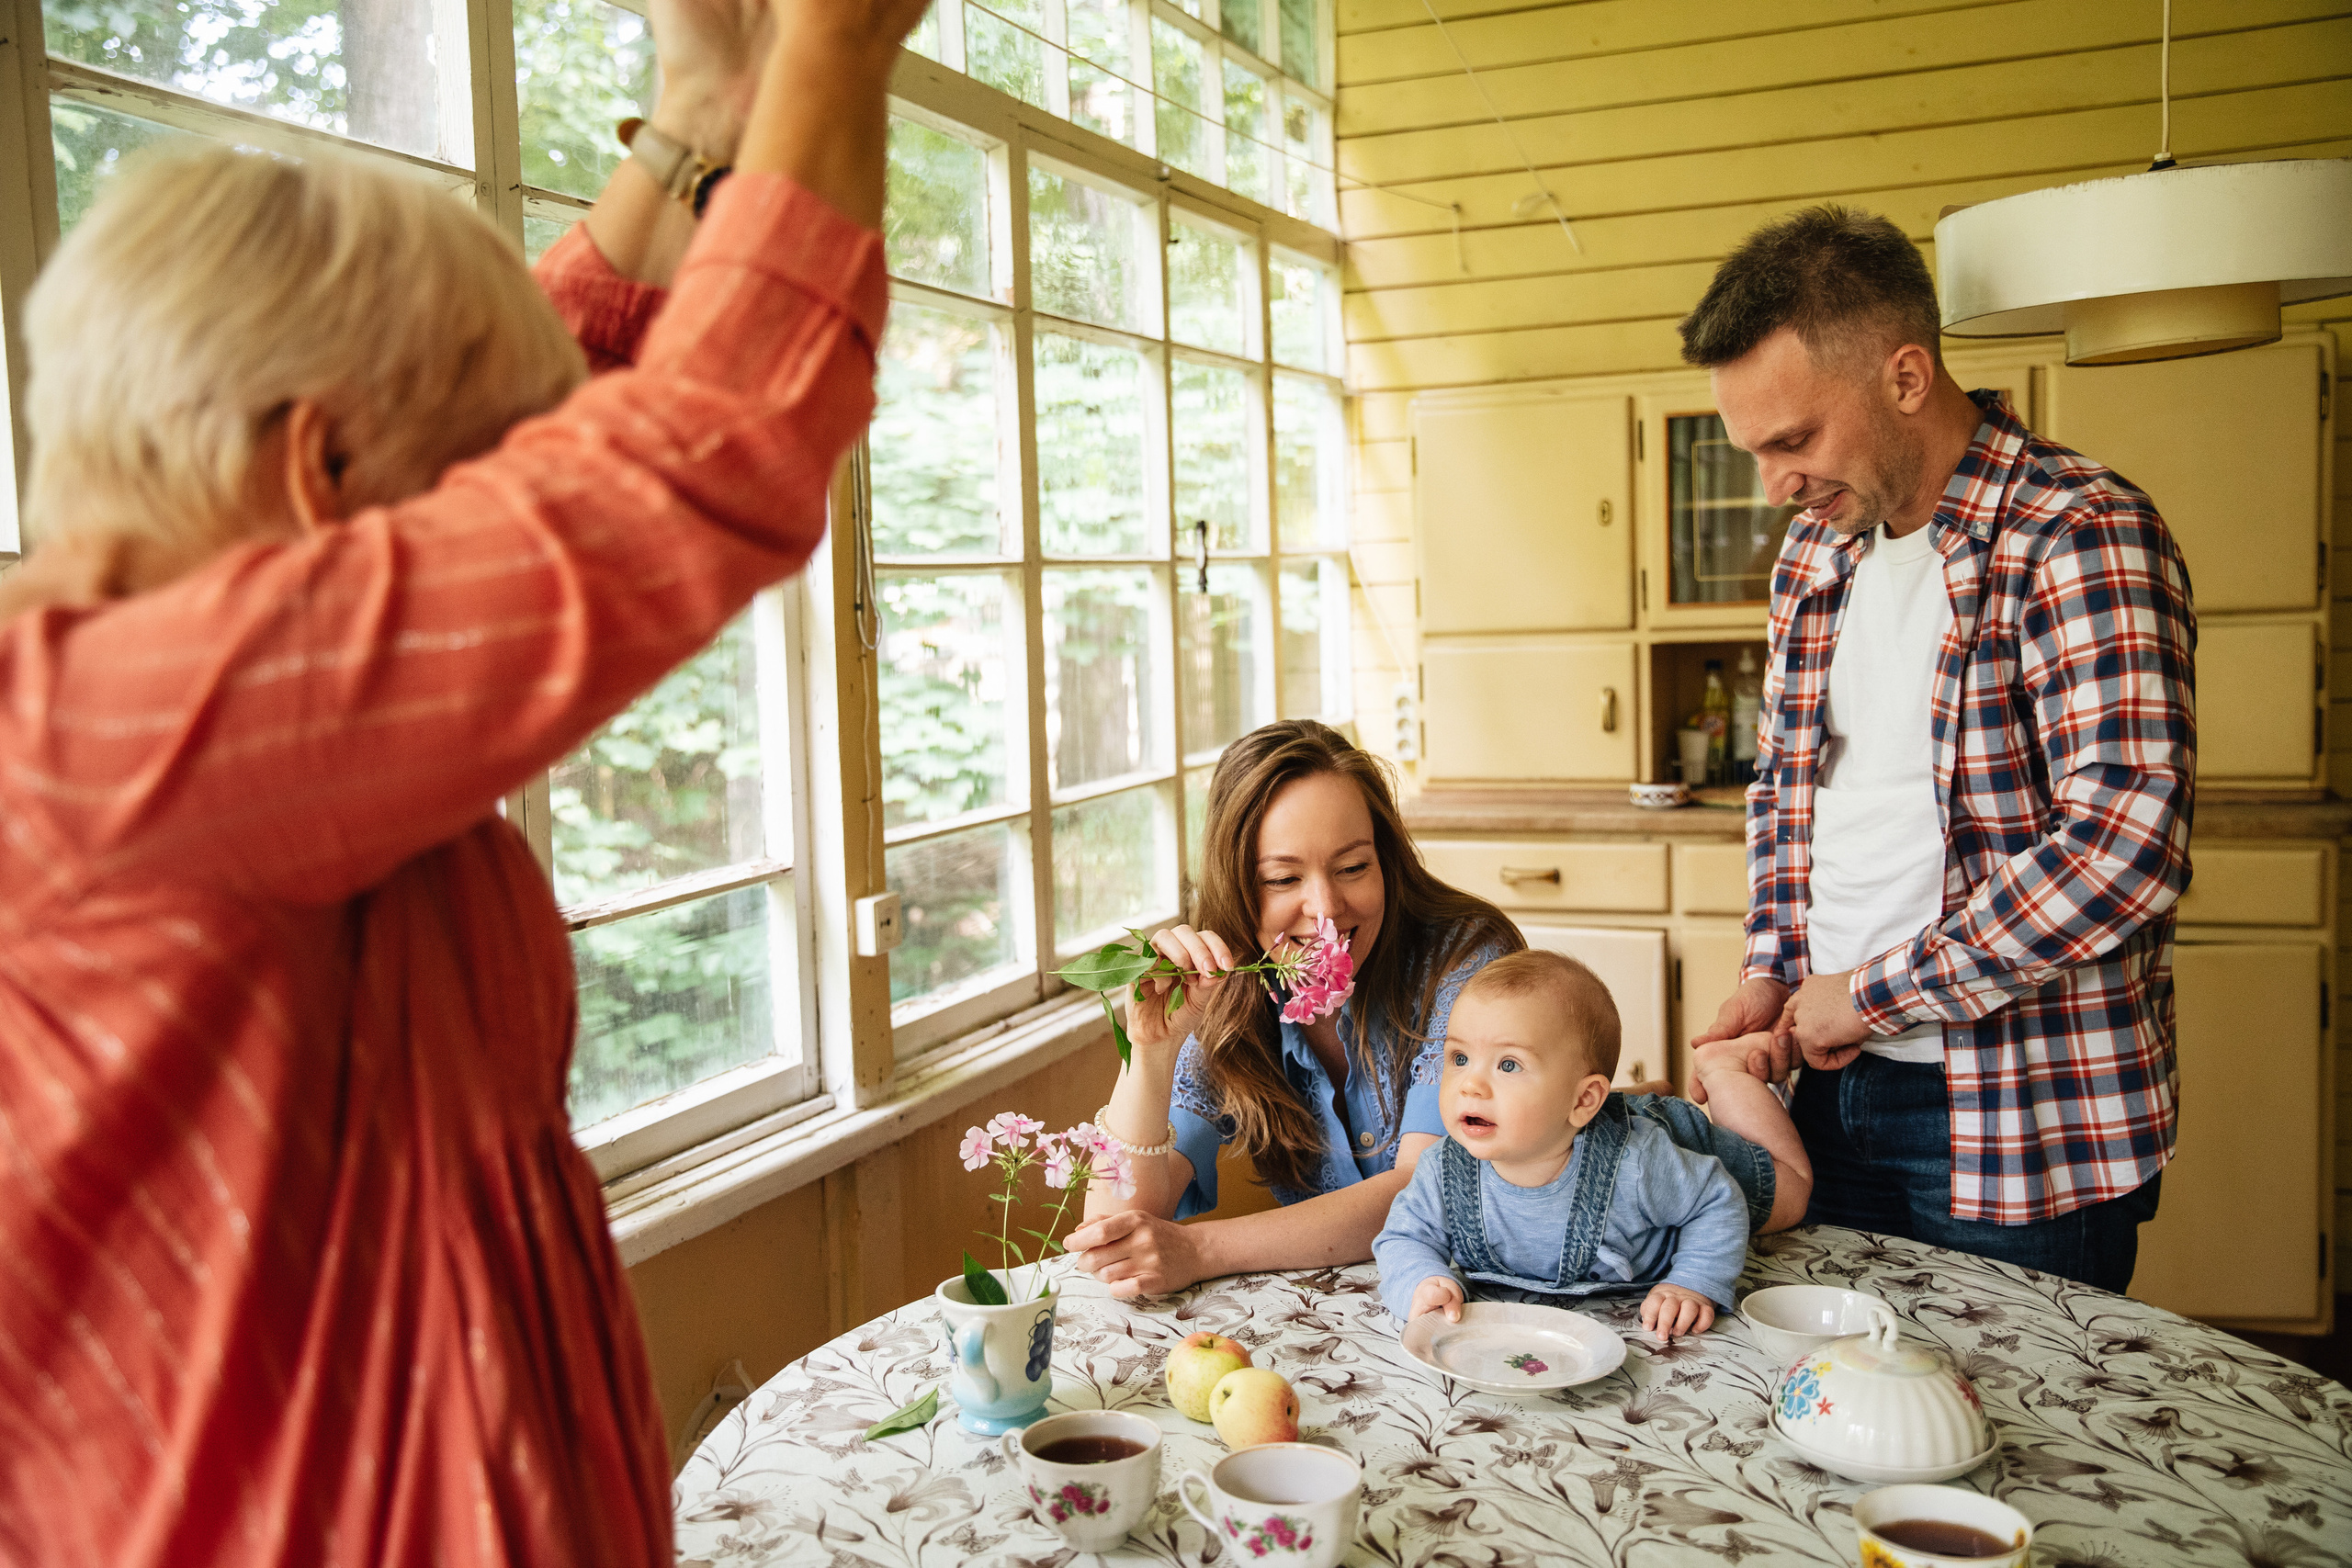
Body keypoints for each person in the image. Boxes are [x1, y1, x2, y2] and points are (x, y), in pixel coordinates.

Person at [0, 0, 925, 1562]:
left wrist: (704, 118)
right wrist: (840, 42)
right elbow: (690, 464)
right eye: (462, 509)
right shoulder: (111, 736)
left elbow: (523, 410)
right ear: (319, 475)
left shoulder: (153, 708)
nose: (483, 541)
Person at [1681, 205, 2195, 1293]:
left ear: (1907, 377)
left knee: (2021, 1401)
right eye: (1754, 450)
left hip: (2017, 1113)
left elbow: (2121, 849)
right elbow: (1784, 793)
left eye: (1793, 441)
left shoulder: (2077, 531)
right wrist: (1773, 971)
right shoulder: (1814, 554)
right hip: (1825, 1087)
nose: (1774, 485)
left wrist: (1872, 995)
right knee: (1834, 1387)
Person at [1065, 720, 1538, 1298]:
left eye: (1353, 867)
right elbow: (1111, 1232)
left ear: (1386, 861)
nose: (1326, 909)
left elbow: (1424, 1192)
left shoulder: (1467, 962)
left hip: (1490, 1301)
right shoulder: (1225, 989)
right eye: (1283, 878)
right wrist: (1152, 1051)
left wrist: (1200, 1249)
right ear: (1238, 887)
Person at [1374, 952, 1813, 1337]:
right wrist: (1421, 1281)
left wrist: (1693, 1282)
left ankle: (1723, 1069)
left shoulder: (1638, 1164)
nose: (1470, 1084)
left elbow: (1716, 1200)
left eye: (1508, 1065)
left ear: (1583, 1100)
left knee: (1793, 1194)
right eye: (1460, 1058)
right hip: (1594, 1125)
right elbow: (1402, 1238)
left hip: (1678, 1144)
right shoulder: (1441, 1170)